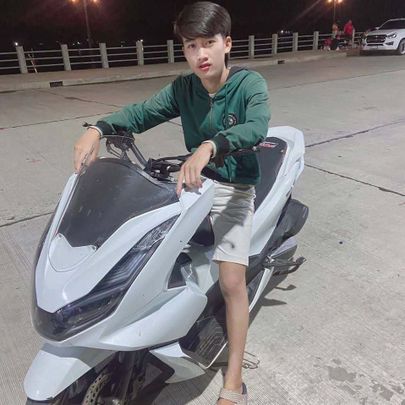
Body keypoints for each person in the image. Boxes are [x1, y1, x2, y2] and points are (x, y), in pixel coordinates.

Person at [73, 2, 270, 404]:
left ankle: (234, 380)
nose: (200, 54)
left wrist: (211, 146)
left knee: (231, 281)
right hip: (193, 184)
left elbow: (256, 127)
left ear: (227, 43)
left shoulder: (249, 84)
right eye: (191, 45)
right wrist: (97, 128)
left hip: (234, 189)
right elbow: (143, 112)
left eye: (208, 43)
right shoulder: (184, 88)